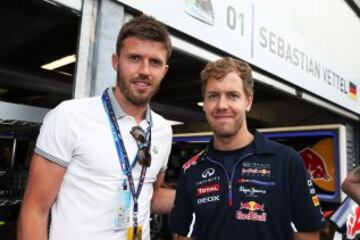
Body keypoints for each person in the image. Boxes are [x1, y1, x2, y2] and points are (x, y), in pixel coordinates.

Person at [18, 14, 175, 240]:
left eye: (155, 62)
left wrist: (208, 195)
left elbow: (150, 194)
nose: (144, 70)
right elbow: (35, 210)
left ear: (164, 71)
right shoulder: (69, 116)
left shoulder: (163, 130)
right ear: (115, 61)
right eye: (134, 58)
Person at [170, 57, 325, 240]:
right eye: (213, 96)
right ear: (204, 103)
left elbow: (308, 234)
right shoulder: (191, 170)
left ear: (248, 101)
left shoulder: (286, 161)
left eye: (232, 95)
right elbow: (184, 237)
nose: (221, 105)